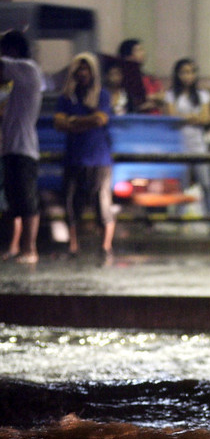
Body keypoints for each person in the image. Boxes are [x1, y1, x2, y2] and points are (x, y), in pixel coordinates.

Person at [54, 53, 115, 262]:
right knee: (70, 204)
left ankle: (105, 246)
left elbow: (100, 120)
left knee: (102, 205)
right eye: (79, 69)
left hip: (98, 158)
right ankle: (73, 246)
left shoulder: (102, 95)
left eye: (86, 69)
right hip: (74, 157)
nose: (82, 73)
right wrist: (82, 121)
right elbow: (59, 123)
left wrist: (73, 121)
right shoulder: (67, 97)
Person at [0, 30, 44, 264]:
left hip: (23, 149)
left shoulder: (27, 68)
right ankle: (15, 248)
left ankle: (30, 249)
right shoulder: (20, 77)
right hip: (11, 148)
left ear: (13, 51)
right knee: (14, 202)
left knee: (27, 202)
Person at [164, 58, 210, 235]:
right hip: (180, 146)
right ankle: (179, 221)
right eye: (184, 72)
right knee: (180, 186)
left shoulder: (203, 95)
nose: (188, 76)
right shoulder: (171, 95)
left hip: (198, 146)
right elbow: (172, 118)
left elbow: (205, 118)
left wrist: (184, 117)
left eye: (191, 72)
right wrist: (193, 117)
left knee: (206, 184)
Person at [117, 38, 164, 114]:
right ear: (127, 55)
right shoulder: (123, 77)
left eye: (142, 50)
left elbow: (162, 96)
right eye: (138, 50)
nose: (143, 53)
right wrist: (151, 98)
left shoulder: (149, 78)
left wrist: (153, 98)